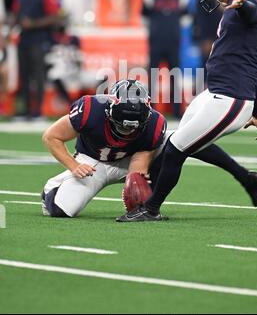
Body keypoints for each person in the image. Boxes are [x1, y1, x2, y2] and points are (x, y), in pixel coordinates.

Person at [117, 0, 257, 222]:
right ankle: (246, 177)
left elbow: (253, 11)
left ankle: (151, 208)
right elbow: (252, 61)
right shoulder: (235, 2)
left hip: (231, 97)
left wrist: (242, 4)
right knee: (184, 141)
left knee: (176, 148)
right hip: (218, 92)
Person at [41, 79, 166, 217]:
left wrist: (136, 186)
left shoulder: (155, 123)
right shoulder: (90, 110)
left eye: (132, 127)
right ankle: (53, 187)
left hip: (127, 160)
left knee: (170, 144)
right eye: (121, 126)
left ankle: (150, 205)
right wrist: (74, 165)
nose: (127, 131)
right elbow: (51, 136)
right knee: (60, 209)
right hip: (91, 163)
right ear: (109, 110)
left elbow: (139, 163)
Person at [143, 0, 188, 118]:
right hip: (156, 41)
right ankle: (149, 110)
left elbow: (185, 17)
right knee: (153, 77)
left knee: (175, 76)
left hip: (173, 42)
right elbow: (144, 16)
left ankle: (177, 112)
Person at [16, 0, 63, 119]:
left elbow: (55, 17)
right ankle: (26, 109)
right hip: (24, 39)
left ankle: (38, 110)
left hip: (40, 39)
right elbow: (16, 12)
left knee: (38, 75)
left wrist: (33, 24)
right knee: (24, 74)